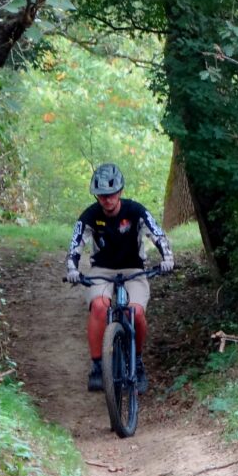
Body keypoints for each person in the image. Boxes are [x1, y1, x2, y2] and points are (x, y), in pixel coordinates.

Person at [65, 163, 174, 394]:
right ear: (97, 196)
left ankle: (138, 362)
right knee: (99, 307)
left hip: (134, 269)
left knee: (135, 313)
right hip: (102, 270)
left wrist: (168, 258)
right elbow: (76, 243)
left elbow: (157, 234)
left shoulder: (135, 211)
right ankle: (97, 367)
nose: (107, 199)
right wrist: (72, 269)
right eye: (102, 195)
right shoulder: (90, 215)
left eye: (111, 194)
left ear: (120, 191)